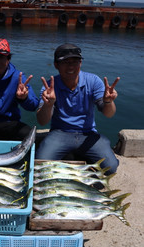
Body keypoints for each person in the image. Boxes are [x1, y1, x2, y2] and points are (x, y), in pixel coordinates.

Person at [36, 43, 120, 175]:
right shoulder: (49, 87)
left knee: (110, 168)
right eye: (65, 62)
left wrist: (108, 101)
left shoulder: (93, 81)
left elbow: (108, 114)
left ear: (80, 63)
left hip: (88, 133)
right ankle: (76, 156)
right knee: (41, 166)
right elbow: (42, 121)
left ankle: (76, 156)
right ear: (56, 65)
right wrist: (49, 104)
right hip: (60, 133)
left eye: (75, 62)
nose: (71, 66)